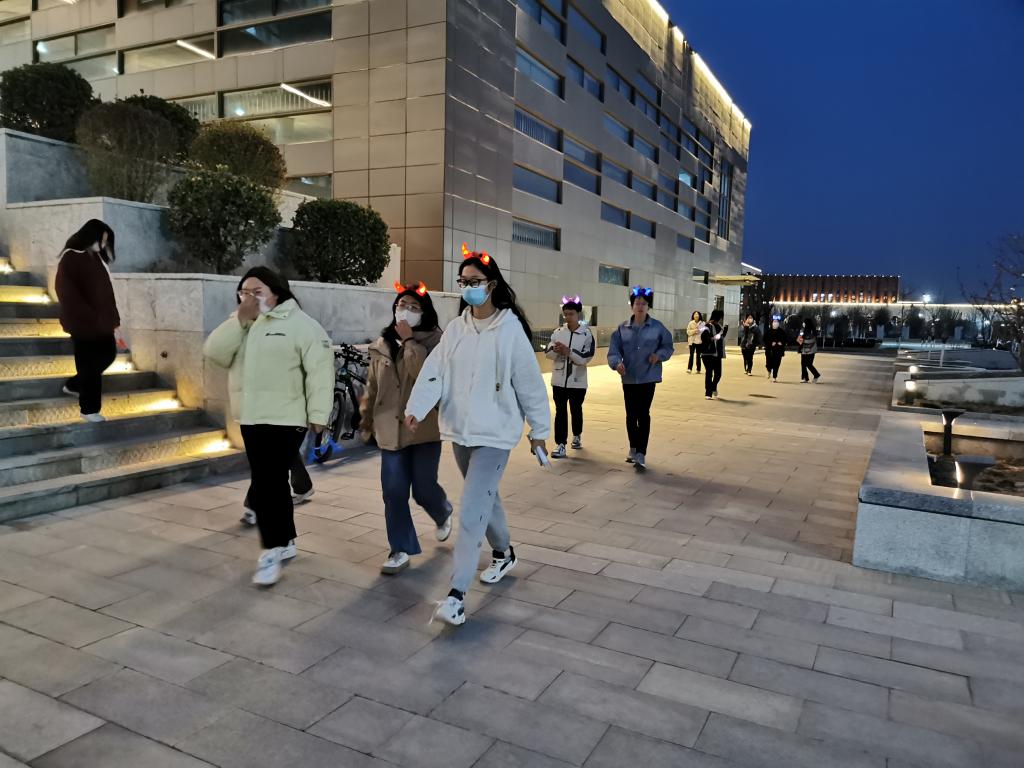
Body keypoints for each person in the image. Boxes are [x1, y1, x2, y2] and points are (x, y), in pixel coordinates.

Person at [405, 246, 550, 627]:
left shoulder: (510, 330)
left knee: (471, 508)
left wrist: (540, 431)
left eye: (474, 281)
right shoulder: (457, 329)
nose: (467, 287)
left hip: (496, 433)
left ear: (492, 285)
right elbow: (435, 371)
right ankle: (504, 552)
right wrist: (417, 407)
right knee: (486, 498)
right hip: (461, 431)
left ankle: (456, 595)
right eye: (463, 282)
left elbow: (529, 383)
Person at [203, 267, 334, 587]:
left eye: (257, 291)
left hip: (287, 418)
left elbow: (319, 371)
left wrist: (319, 414)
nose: (249, 298)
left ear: (276, 292)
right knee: (270, 480)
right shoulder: (243, 323)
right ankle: (285, 540)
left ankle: (272, 549)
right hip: (251, 416)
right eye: (244, 292)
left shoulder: (301, 325)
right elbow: (214, 353)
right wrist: (239, 320)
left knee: (267, 482)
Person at [361, 281, 453, 575]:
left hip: (423, 429)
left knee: (423, 489)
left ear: (425, 313)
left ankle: (442, 510)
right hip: (389, 429)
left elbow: (425, 376)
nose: (406, 311)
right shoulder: (382, 343)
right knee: (393, 491)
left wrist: (411, 341)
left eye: (414, 307)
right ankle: (399, 548)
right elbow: (373, 386)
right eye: (402, 305)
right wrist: (366, 419)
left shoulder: (436, 342)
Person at [54, 219, 123, 423]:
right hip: (83, 324)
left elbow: (107, 293)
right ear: (90, 236)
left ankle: (74, 385)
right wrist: (88, 316)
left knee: (107, 355)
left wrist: (113, 320)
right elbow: (66, 292)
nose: (103, 244)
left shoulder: (96, 259)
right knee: (89, 365)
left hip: (101, 323)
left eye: (106, 241)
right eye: (101, 239)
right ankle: (89, 409)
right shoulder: (71, 257)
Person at [607, 286, 674, 472]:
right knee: (631, 415)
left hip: (648, 377)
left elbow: (668, 346)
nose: (640, 307)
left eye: (644, 304)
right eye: (637, 303)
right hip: (628, 378)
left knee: (643, 414)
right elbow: (613, 351)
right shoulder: (622, 329)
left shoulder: (657, 327)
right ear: (632, 306)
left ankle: (641, 452)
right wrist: (617, 364)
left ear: (648, 306)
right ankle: (633, 446)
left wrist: (658, 356)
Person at [546, 295, 595, 459]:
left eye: (571, 314)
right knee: (560, 411)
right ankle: (560, 444)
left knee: (576, 409)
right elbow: (548, 352)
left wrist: (569, 352)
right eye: (565, 314)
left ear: (578, 314)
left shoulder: (586, 334)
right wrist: (555, 350)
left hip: (577, 381)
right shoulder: (558, 332)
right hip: (558, 380)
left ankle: (577, 434)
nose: (568, 317)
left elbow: (586, 358)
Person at [700, 308, 727, 399]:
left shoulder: (719, 326)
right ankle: (708, 393)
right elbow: (704, 337)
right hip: (708, 353)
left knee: (718, 374)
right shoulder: (707, 325)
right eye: (721, 317)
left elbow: (721, 339)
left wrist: (724, 332)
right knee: (709, 373)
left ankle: (713, 387)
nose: (721, 319)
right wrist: (713, 338)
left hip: (717, 354)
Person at [764, 316, 787, 382]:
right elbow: (764, 340)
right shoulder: (768, 331)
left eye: (777, 322)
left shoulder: (782, 332)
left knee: (776, 364)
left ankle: (774, 377)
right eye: (774, 322)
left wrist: (781, 343)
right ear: (772, 323)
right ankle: (769, 370)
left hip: (778, 350)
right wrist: (770, 343)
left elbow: (785, 340)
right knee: (768, 363)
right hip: (769, 350)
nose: (775, 323)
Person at [798, 318, 822, 383]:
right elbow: (800, 339)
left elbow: (812, 339)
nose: (803, 324)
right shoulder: (803, 330)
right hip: (804, 350)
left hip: (811, 350)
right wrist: (800, 338)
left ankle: (816, 375)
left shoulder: (812, 331)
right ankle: (805, 378)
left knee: (809, 364)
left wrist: (803, 339)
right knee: (803, 364)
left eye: (804, 322)